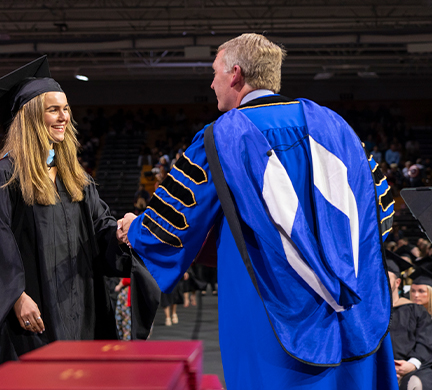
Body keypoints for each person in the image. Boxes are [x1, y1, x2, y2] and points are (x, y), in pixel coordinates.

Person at [119, 33, 397, 389]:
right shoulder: (337, 127)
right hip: (352, 307)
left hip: (269, 301)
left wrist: (136, 229)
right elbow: (379, 213)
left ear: (235, 74)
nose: (211, 82)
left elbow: (176, 222)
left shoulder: (221, 138)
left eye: (215, 72)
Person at [0, 56, 158, 377]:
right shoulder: (5, 177)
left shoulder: (76, 178)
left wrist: (120, 234)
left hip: (81, 304)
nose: (64, 117)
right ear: (31, 117)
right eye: (53, 109)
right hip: (34, 310)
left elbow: (101, 230)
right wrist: (15, 297)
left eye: (66, 109)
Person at [387, 252, 432, 390]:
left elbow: (425, 340)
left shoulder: (416, 311)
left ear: (398, 282)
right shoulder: (369, 312)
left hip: (412, 368)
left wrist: (412, 364)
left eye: (386, 278)